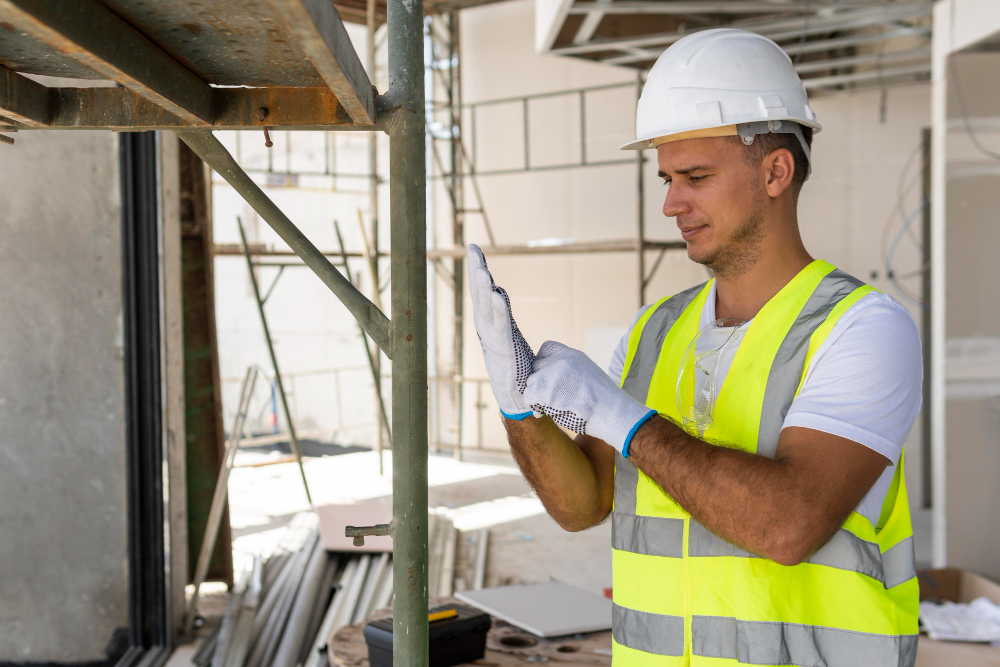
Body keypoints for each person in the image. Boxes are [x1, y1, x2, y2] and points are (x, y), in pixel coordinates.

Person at [467, 28, 922, 667]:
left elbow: (787, 525)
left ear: (775, 171)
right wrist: (518, 408)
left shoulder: (862, 329)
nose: (671, 203)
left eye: (696, 176)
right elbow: (582, 506)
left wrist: (624, 420)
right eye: (666, 179)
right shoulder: (653, 330)